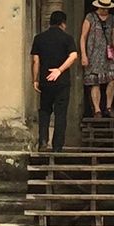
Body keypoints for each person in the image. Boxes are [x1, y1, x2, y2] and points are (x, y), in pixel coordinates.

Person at [31, 10, 78, 151]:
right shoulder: (67, 38)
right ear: (63, 23)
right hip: (62, 82)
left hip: (45, 80)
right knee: (60, 113)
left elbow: (35, 61)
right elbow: (73, 56)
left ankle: (43, 142)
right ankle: (57, 146)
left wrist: (35, 79)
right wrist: (59, 70)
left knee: (44, 111)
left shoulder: (39, 38)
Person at [80, 0, 114, 117]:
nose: (105, 10)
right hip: (93, 53)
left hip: (108, 53)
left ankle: (108, 106)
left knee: (113, 78)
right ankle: (97, 109)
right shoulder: (90, 17)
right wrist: (84, 55)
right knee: (95, 81)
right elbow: (83, 36)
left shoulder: (112, 19)